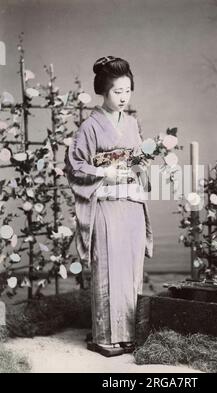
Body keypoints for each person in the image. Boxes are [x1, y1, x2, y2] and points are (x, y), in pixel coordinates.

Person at [64, 56, 153, 357]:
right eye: (118, 91)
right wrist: (104, 171)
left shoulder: (131, 123)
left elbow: (139, 162)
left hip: (130, 204)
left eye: (128, 90)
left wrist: (142, 162)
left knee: (131, 270)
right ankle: (106, 336)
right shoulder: (90, 126)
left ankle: (131, 333)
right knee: (108, 268)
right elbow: (75, 165)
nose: (124, 97)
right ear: (104, 91)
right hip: (105, 206)